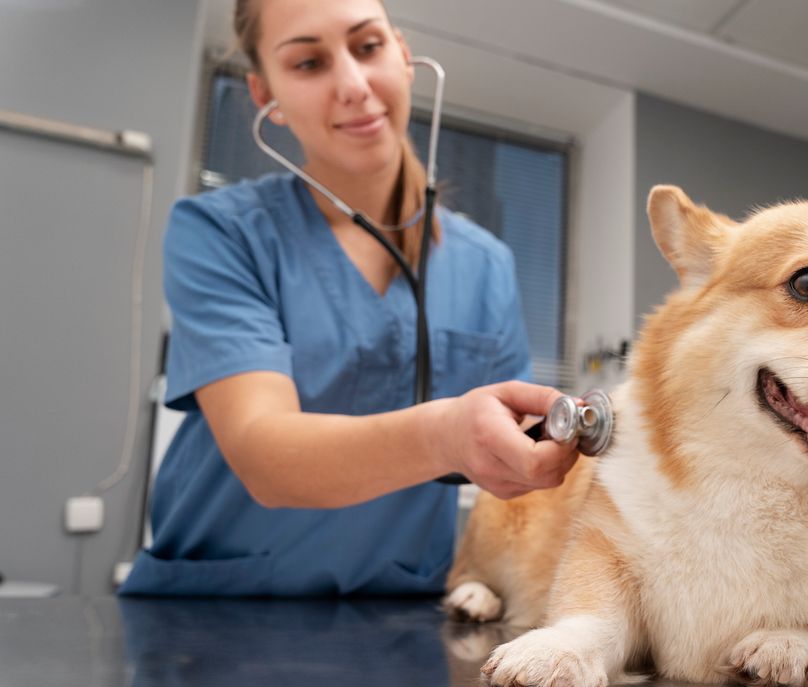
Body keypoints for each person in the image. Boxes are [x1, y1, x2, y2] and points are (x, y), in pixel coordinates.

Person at [119, 0, 579, 597]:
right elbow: (265, 454)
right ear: (266, 97)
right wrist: (445, 435)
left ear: (405, 57)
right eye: (309, 63)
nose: (354, 86)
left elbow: (522, 440)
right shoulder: (221, 233)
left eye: (367, 48)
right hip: (217, 615)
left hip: (401, 617)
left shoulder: (487, 265)